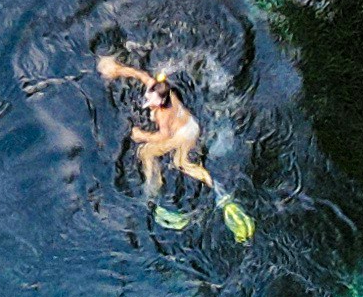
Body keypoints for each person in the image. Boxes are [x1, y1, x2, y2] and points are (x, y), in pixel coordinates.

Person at [100, 48, 252, 240]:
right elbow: (141, 75)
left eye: (150, 99)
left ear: (161, 101)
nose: (147, 99)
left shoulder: (163, 115)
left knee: (153, 155)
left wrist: (141, 135)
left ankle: (154, 192)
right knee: (173, 157)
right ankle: (216, 189)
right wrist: (117, 69)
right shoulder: (160, 89)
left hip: (184, 134)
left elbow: (163, 135)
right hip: (191, 124)